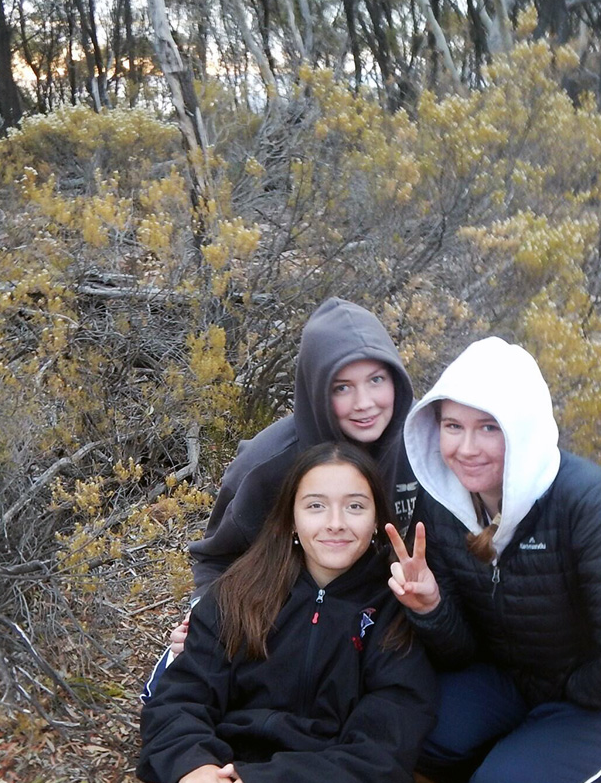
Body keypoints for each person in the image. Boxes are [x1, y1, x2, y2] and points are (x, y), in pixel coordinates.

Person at [114, 444, 437, 783]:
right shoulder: (240, 592)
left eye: (355, 506)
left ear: (377, 520)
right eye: (316, 506)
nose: (335, 523)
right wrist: (193, 763)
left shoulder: (394, 613)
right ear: (290, 518)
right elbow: (179, 696)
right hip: (222, 773)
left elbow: (383, 756)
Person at [385, 337, 601, 783]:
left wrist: (557, 700)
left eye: (488, 428)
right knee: (412, 725)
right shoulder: (446, 504)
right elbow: (463, 650)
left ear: (520, 428)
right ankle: (520, 776)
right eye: (452, 426)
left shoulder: (584, 501)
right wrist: (431, 606)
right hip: (520, 678)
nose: (466, 448)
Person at [147, 296, 417, 691]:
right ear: (316, 389)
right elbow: (217, 558)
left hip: (385, 627)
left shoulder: (425, 446)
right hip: (282, 625)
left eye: (376, 380)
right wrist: (203, 625)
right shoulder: (268, 463)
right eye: (342, 387)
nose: (365, 403)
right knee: (180, 690)